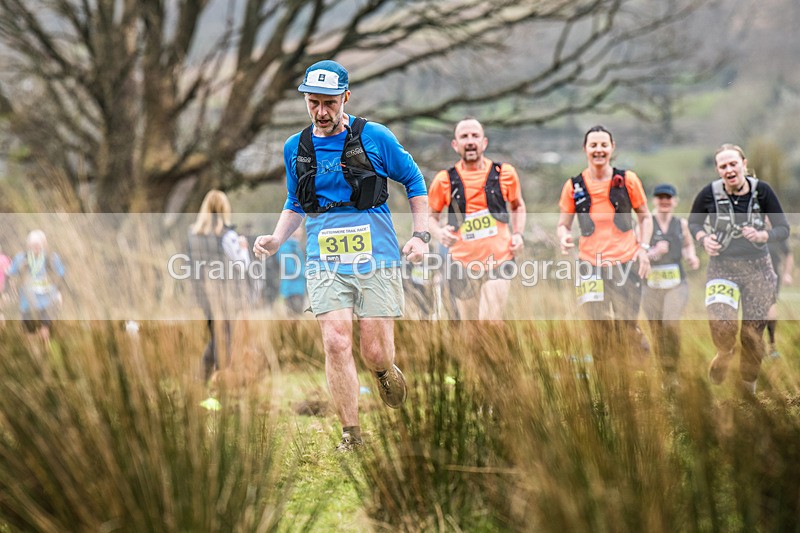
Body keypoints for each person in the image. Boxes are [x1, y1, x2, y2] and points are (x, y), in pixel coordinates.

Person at [252, 60, 429, 451]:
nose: (321, 111)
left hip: (377, 255)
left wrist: (421, 236)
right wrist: (277, 238)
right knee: (335, 341)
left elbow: (414, 181)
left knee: (374, 351)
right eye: (313, 103)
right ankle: (352, 434)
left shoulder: (375, 137)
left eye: (329, 103)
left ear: (346, 97)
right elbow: (296, 200)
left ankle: (383, 370)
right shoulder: (296, 148)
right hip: (324, 258)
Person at [688, 143, 789, 395]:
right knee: (723, 325)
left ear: (744, 164)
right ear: (718, 170)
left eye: (733, 164)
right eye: (723, 166)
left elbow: (783, 228)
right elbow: (693, 223)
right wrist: (703, 238)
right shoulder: (709, 193)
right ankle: (725, 352)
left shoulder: (762, 191)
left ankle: (747, 394)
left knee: (752, 335)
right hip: (722, 268)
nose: (729, 169)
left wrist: (763, 235)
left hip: (758, 269)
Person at [556, 125, 653, 365]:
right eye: (593, 145)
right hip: (589, 265)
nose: (598, 150)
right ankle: (606, 380)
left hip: (625, 262)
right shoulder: (574, 186)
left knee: (625, 327)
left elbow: (645, 217)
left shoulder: (627, 180)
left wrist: (643, 249)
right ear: (585, 149)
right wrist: (564, 236)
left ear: (612, 148)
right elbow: (563, 224)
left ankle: (638, 364)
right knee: (597, 329)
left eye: (603, 145)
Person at [427, 118, 526, 322]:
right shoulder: (444, 180)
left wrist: (518, 234)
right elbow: (429, 217)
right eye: (464, 137)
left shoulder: (504, 174)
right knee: (471, 331)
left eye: (475, 136)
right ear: (455, 145)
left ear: (484, 142)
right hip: (461, 263)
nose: (470, 141)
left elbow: (518, 206)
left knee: (490, 322)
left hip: (499, 259)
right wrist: (439, 233)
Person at [188, 190, 251, 383]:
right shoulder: (227, 235)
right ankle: (212, 381)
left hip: (204, 295)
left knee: (216, 337)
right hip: (225, 296)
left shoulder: (194, 235)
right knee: (223, 341)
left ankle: (203, 381)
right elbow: (242, 265)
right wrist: (244, 248)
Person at [640, 184, 699, 382]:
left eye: (668, 197)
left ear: (675, 201)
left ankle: (673, 371)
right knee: (656, 329)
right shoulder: (646, 223)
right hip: (651, 286)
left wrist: (691, 257)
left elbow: (688, 244)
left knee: (670, 323)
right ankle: (663, 372)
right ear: (654, 200)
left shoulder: (680, 224)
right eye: (660, 197)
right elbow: (636, 253)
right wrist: (654, 252)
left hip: (676, 284)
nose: (664, 201)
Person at [6, 230, 66, 345]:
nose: (36, 247)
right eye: (33, 244)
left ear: (44, 244)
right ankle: (32, 350)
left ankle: (45, 350)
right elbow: (10, 273)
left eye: (39, 244)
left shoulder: (51, 258)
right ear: (28, 245)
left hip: (47, 301)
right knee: (28, 333)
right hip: (27, 302)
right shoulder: (21, 258)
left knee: (45, 332)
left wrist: (59, 293)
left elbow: (61, 275)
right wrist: (10, 290)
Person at [766, 236, 793, 357]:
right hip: (753, 275)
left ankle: (772, 347)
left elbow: (788, 254)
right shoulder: (750, 230)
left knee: (770, 309)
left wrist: (787, 273)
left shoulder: (778, 234)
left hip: (772, 276)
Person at [276, 226, 306, 315]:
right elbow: (290, 269)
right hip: (291, 290)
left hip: (300, 288)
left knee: (299, 317)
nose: (301, 231)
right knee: (293, 317)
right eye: (298, 227)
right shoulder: (285, 247)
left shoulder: (296, 246)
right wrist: (307, 273)